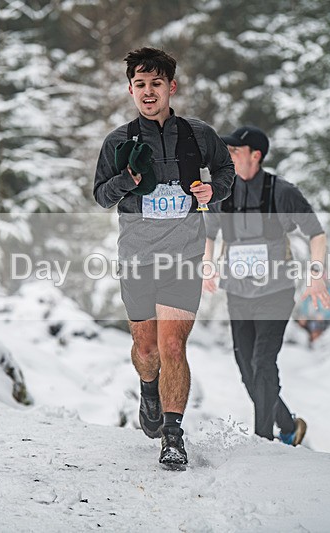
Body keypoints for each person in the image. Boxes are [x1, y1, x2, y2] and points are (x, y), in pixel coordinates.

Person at [93, 47, 235, 467]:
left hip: (184, 253)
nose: (149, 92)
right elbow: (102, 196)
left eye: (157, 83)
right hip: (137, 256)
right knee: (148, 348)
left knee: (173, 344)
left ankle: (173, 436)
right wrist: (126, 180)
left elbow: (225, 172)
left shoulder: (198, 134)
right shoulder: (118, 141)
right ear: (130, 90)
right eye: (140, 84)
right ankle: (149, 388)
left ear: (171, 87)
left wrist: (214, 192)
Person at [203, 125, 330, 445]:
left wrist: (316, 274)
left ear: (255, 156)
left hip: (275, 292)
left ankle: (263, 440)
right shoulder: (224, 190)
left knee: (263, 362)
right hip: (238, 293)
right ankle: (288, 425)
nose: (228, 156)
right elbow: (208, 232)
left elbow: (316, 232)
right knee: (247, 368)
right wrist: (207, 266)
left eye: (235, 151)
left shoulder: (281, 191)